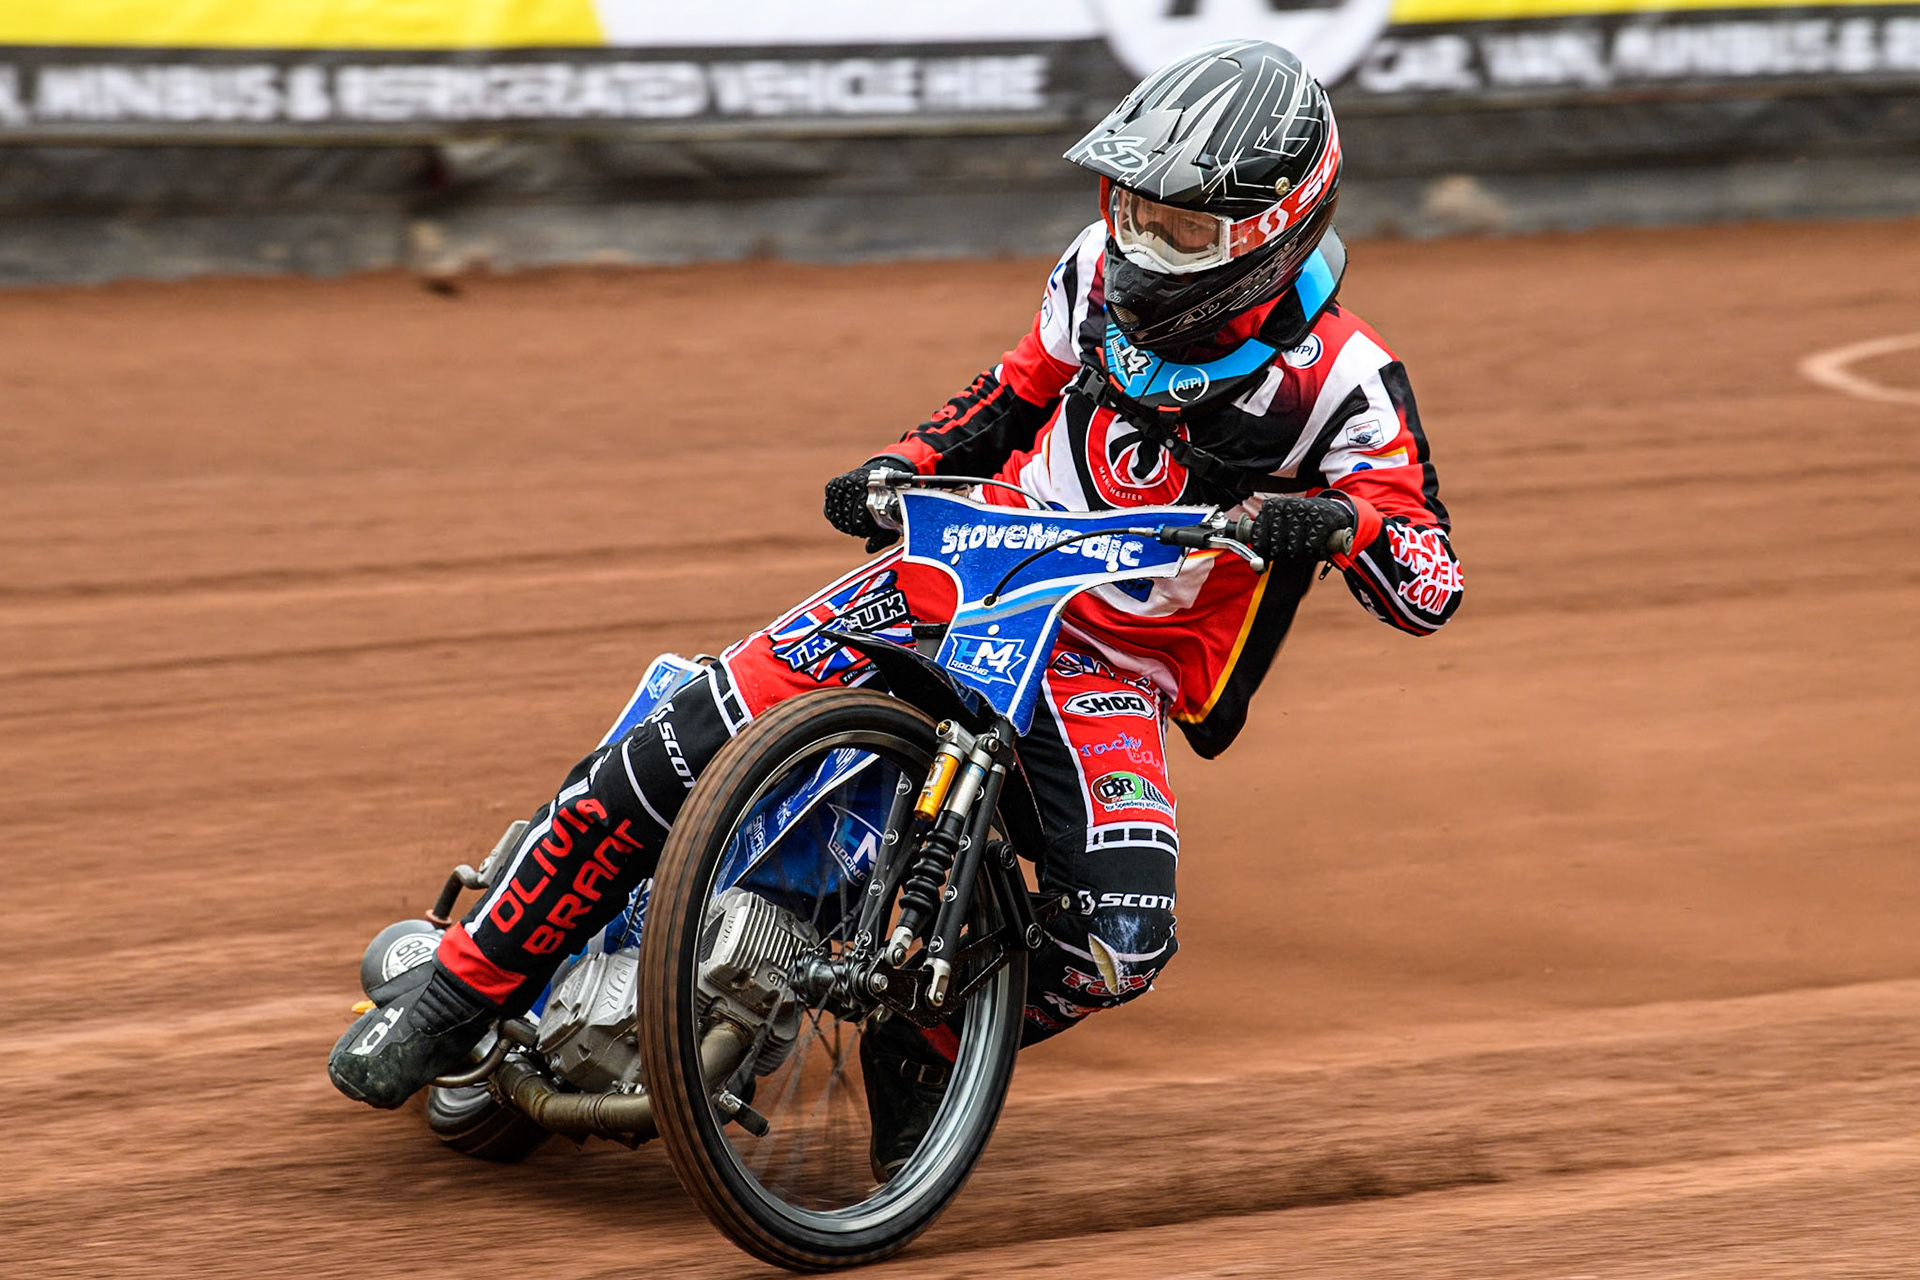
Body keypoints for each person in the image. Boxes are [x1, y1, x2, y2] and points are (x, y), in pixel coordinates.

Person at [329, 38, 1463, 1177]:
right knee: (672, 751)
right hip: (968, 565)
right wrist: (898, 462)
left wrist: (1338, 522)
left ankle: (922, 1042)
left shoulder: (1348, 378)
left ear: (1271, 227)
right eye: (1129, 209)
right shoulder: (1088, 270)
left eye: (1177, 229)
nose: (1136, 243)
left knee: (1117, 942)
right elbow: (1009, 393)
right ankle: (455, 991)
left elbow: (1431, 580)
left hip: (1113, 664)